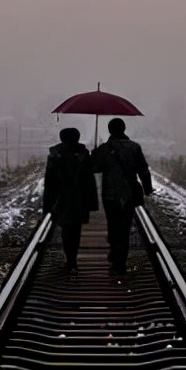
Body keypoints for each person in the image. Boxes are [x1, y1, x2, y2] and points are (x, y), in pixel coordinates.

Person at [92, 117, 153, 273]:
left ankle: (114, 250)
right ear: (124, 129)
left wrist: (94, 154)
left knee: (112, 225)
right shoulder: (134, 147)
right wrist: (147, 188)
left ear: (109, 130)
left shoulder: (104, 149)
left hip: (109, 194)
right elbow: (143, 170)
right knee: (124, 228)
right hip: (128, 194)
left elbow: (95, 168)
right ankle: (120, 262)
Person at [42, 126, 98, 271]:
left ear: (62, 138)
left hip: (62, 198)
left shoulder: (55, 155)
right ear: (77, 138)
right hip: (80, 198)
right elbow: (90, 180)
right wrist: (92, 202)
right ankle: (73, 258)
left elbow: (49, 182)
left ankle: (70, 260)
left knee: (66, 229)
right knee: (76, 229)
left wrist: (47, 204)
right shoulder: (84, 155)